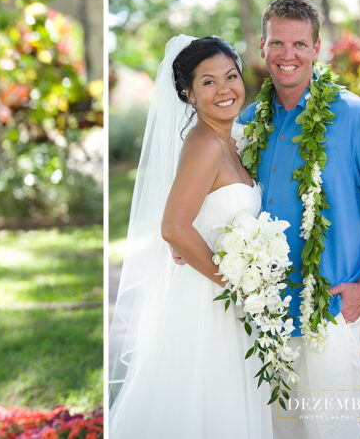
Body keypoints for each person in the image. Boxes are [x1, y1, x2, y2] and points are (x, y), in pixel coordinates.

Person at [235, 0, 360, 438]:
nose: (287, 55)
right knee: (276, 431)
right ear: (263, 45)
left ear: (316, 50)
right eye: (278, 43)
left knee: (331, 430)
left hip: (328, 311)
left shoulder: (355, 117)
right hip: (263, 315)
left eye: (299, 44)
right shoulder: (246, 123)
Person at [108, 35, 273, 438]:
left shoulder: (231, 140)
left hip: (228, 298)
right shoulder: (204, 144)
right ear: (188, 93)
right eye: (208, 82)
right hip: (209, 302)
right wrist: (235, 284)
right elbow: (173, 227)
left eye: (231, 76)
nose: (225, 89)